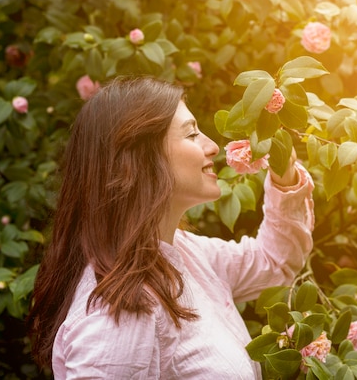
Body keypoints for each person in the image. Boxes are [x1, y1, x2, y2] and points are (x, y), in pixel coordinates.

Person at [27, 76, 315, 379]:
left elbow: (274, 262)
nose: (213, 146)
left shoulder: (185, 252)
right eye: (191, 135)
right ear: (138, 157)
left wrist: (285, 173)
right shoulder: (115, 316)